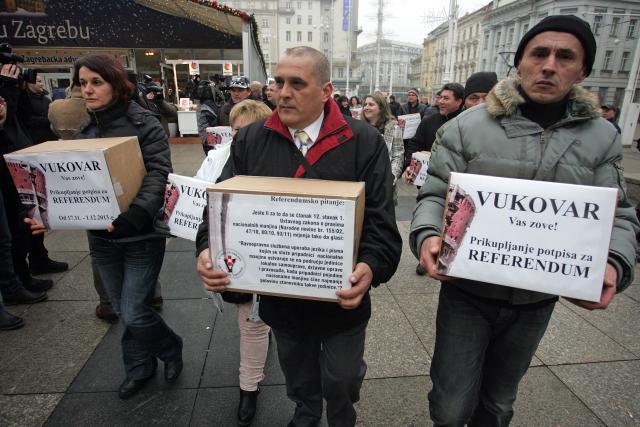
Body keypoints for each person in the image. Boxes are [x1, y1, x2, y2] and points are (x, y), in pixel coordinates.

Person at [410, 15, 638, 426]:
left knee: (498, 404)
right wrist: (428, 235)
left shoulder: (602, 137)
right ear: (519, 63)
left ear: (582, 71)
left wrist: (613, 264)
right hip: (467, 293)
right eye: (539, 54)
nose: (549, 65)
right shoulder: (467, 127)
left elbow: (619, 213)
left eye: (564, 57)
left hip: (536, 302)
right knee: (449, 406)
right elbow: (435, 194)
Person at [196, 46, 402, 426]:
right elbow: (221, 206)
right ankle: (305, 415)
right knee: (299, 378)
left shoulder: (363, 141)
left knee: (342, 380)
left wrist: (372, 266)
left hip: (341, 303)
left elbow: (380, 221)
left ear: (325, 91)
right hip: (282, 302)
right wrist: (208, 248)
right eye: (279, 82)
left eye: (297, 83)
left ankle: (341, 418)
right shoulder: (251, 139)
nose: (284, 93)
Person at [60, 54, 183, 399]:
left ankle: (170, 348)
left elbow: (160, 173)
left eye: (96, 82)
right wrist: (45, 214)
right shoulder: (85, 130)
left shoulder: (145, 123)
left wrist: (135, 216)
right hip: (102, 239)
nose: (87, 90)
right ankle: (139, 368)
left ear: (116, 85)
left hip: (140, 235)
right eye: (82, 83)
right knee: (122, 309)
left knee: (134, 309)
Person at [362, 92, 404, 203]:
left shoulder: (393, 127)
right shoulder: (359, 127)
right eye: (365, 104)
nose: (366, 107)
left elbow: (398, 155)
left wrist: (391, 178)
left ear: (381, 107)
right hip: (362, 181)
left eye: (371, 104)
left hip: (384, 183)